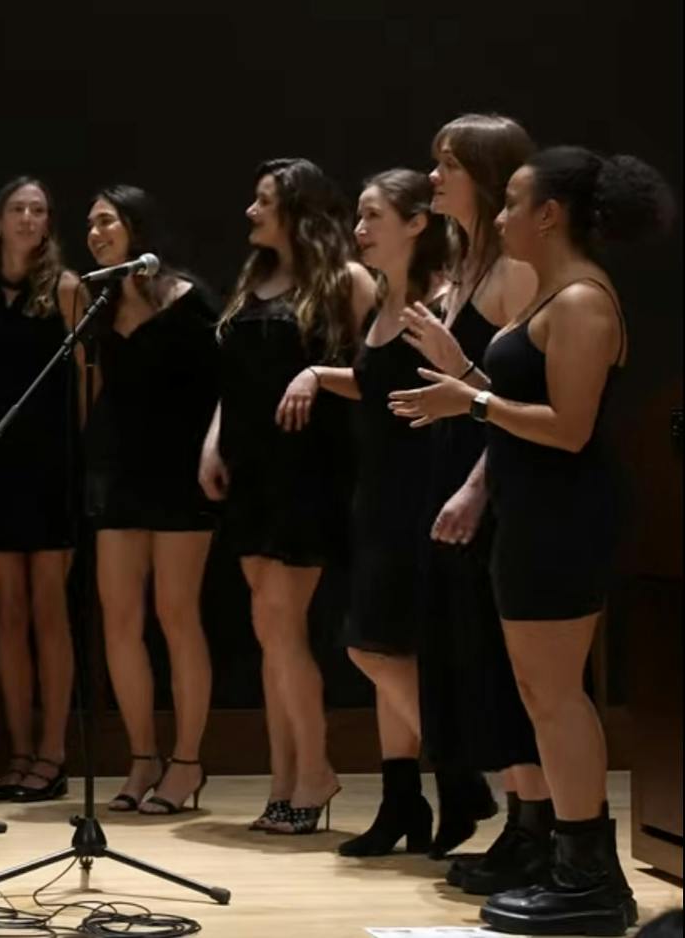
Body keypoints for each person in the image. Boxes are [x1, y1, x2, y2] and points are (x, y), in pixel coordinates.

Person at [392, 147, 674, 936]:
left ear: (549, 214)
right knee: (541, 695)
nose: (504, 215)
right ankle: (575, 866)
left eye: (514, 202)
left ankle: (590, 879)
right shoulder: (554, 292)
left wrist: (471, 404)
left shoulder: (581, 299)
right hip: (534, 510)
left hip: (565, 515)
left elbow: (570, 427)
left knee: (555, 696)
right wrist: (467, 376)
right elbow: (523, 397)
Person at [399, 114, 551, 888]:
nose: (433, 177)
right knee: (472, 661)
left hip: (492, 481)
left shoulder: (514, 273)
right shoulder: (461, 263)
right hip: (452, 465)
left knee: (505, 663)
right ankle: (519, 822)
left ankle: (539, 828)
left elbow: (522, 396)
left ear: (486, 176)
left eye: (447, 164)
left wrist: (472, 485)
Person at [200, 158, 372, 835]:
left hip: (308, 469)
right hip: (250, 468)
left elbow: (378, 371)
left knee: (280, 624)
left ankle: (319, 768)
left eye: (262, 199)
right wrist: (212, 442)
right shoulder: (253, 280)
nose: (249, 211)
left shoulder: (346, 281)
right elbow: (234, 382)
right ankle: (284, 779)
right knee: (270, 632)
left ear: (296, 209)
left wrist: (316, 375)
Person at [302, 170, 450, 855]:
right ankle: (402, 805)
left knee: (369, 644)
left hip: (420, 492)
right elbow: (374, 384)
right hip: (379, 489)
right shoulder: (387, 299)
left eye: (372, 216)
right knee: (391, 648)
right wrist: (314, 375)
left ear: (417, 223)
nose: (358, 229)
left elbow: (453, 391)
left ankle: (459, 771)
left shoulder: (439, 300)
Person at [82, 187, 221, 816]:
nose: (94, 232)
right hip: (124, 472)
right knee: (118, 618)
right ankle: (142, 756)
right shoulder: (101, 307)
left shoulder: (188, 299)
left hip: (182, 471)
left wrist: (215, 452)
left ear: (137, 227)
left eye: (105, 221)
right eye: (89, 225)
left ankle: (187, 760)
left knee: (176, 613)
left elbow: (227, 385)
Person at [0, 177, 83, 803]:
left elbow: (84, 387)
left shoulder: (66, 288)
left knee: (49, 610)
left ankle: (54, 753)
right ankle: (20, 748)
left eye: (39, 210)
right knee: (6, 611)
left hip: (51, 465)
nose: (29, 218)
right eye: (18, 209)